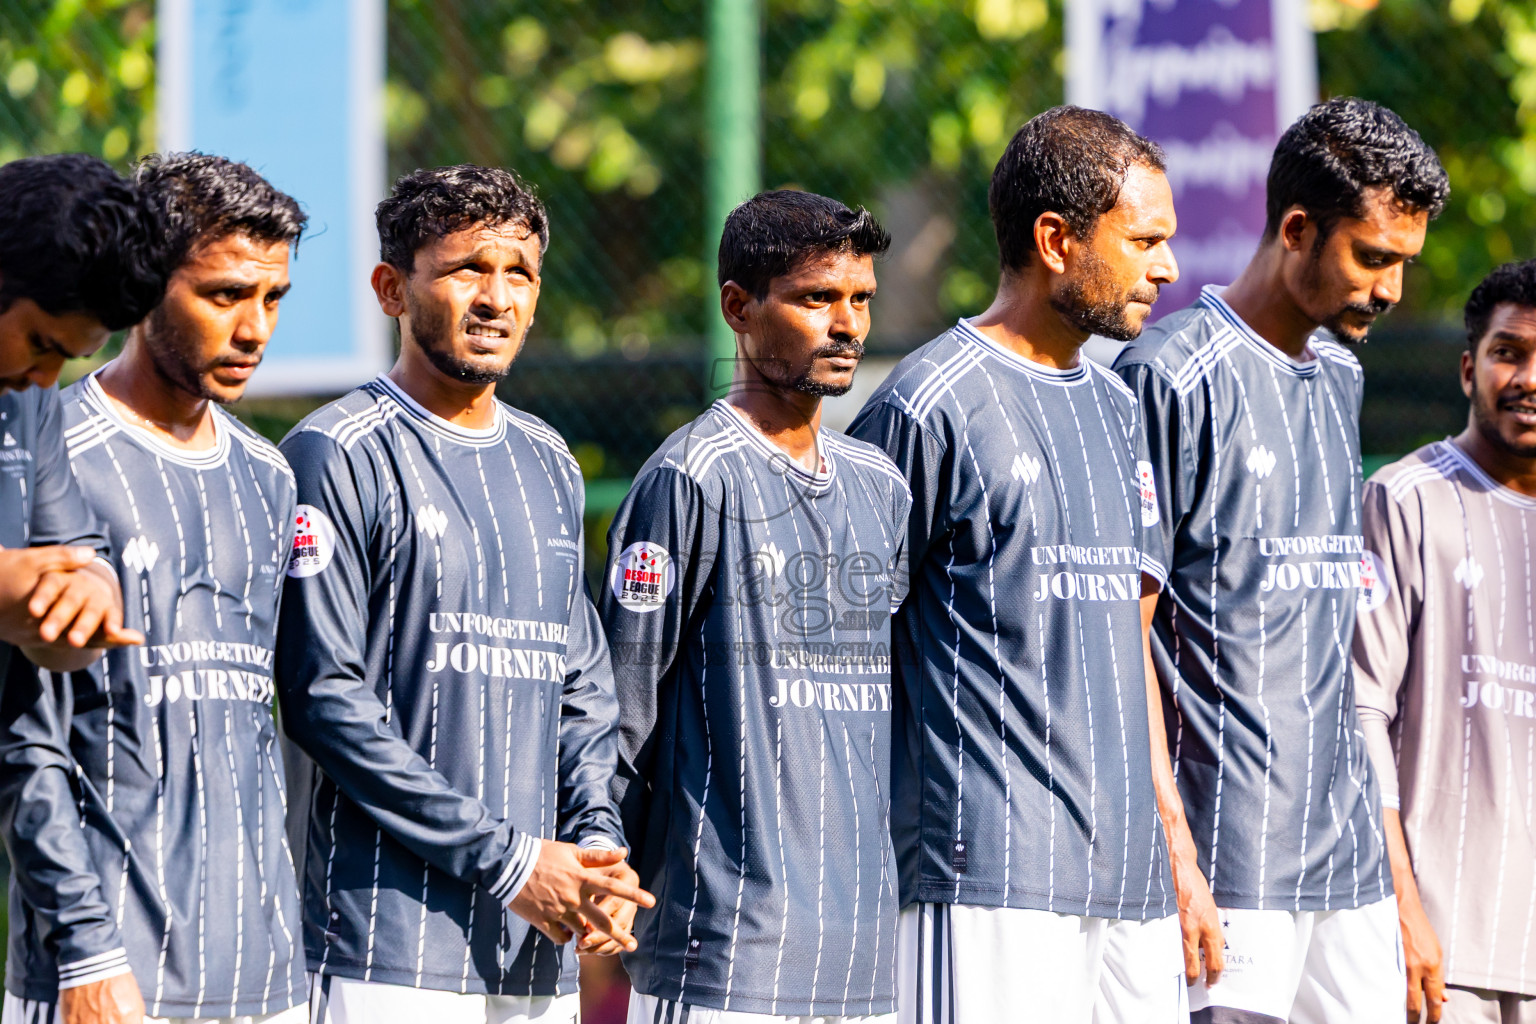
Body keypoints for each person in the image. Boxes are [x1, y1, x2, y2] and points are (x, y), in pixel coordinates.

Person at [847, 105, 1205, 1023]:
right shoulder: (925, 407)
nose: (1166, 267)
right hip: (984, 876)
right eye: (1143, 241)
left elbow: (1130, 640)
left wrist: (1174, 839)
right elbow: (855, 652)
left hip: (1130, 884)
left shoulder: (1122, 408)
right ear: (1056, 239)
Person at [273, 164, 651, 1024]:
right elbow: (323, 700)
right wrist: (508, 861)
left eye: (518, 272)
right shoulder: (334, 453)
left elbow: (582, 691)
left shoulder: (550, 461)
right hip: (379, 946)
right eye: (465, 269)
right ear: (390, 289)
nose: (496, 297)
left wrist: (594, 839)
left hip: (534, 951)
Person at [1114, 96, 1449, 1023]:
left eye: (1403, 266)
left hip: (1346, 863)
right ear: (1297, 229)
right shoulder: (1168, 374)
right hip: (1232, 857)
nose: (1388, 290)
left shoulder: (1341, 374)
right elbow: (1123, 633)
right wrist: (1174, 849)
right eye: (1372, 258)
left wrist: (1397, 883)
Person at [0, 152, 309, 1024]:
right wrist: (86, 949)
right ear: (147, 296)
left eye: (273, 298)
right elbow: (26, 737)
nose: (254, 328)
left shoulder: (270, 477)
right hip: (104, 977)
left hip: (265, 975)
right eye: (222, 295)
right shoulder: (45, 439)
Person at [600, 189, 909, 1023]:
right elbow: (620, 710)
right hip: (724, 951)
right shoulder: (691, 476)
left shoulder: (882, 488)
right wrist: (607, 868)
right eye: (817, 298)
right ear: (740, 307)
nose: (846, 324)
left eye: (861, 300)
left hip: (868, 954)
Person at [1354, 259, 1536, 1024]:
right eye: (1508, 353)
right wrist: (1402, 905)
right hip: (1438, 956)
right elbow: (1358, 712)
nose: (1528, 378)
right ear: (1469, 368)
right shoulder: (1403, 500)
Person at [0, 153, 168, 680]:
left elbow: (76, 553)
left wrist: (88, 599)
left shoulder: (28, 396)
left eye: (64, 359)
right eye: (38, 343)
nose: (46, 378)